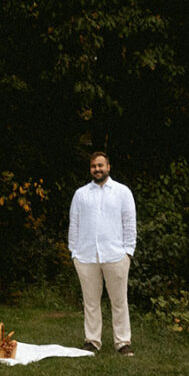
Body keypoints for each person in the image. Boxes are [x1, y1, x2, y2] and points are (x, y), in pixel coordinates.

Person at [68, 151, 137, 356]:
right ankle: (92, 341)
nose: (97, 169)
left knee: (119, 301)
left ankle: (122, 342)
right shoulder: (81, 194)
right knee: (90, 302)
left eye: (100, 165)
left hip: (116, 255)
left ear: (108, 167)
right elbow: (75, 224)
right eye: (93, 166)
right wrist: (74, 252)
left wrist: (128, 252)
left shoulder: (122, 192)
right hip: (86, 256)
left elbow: (129, 223)